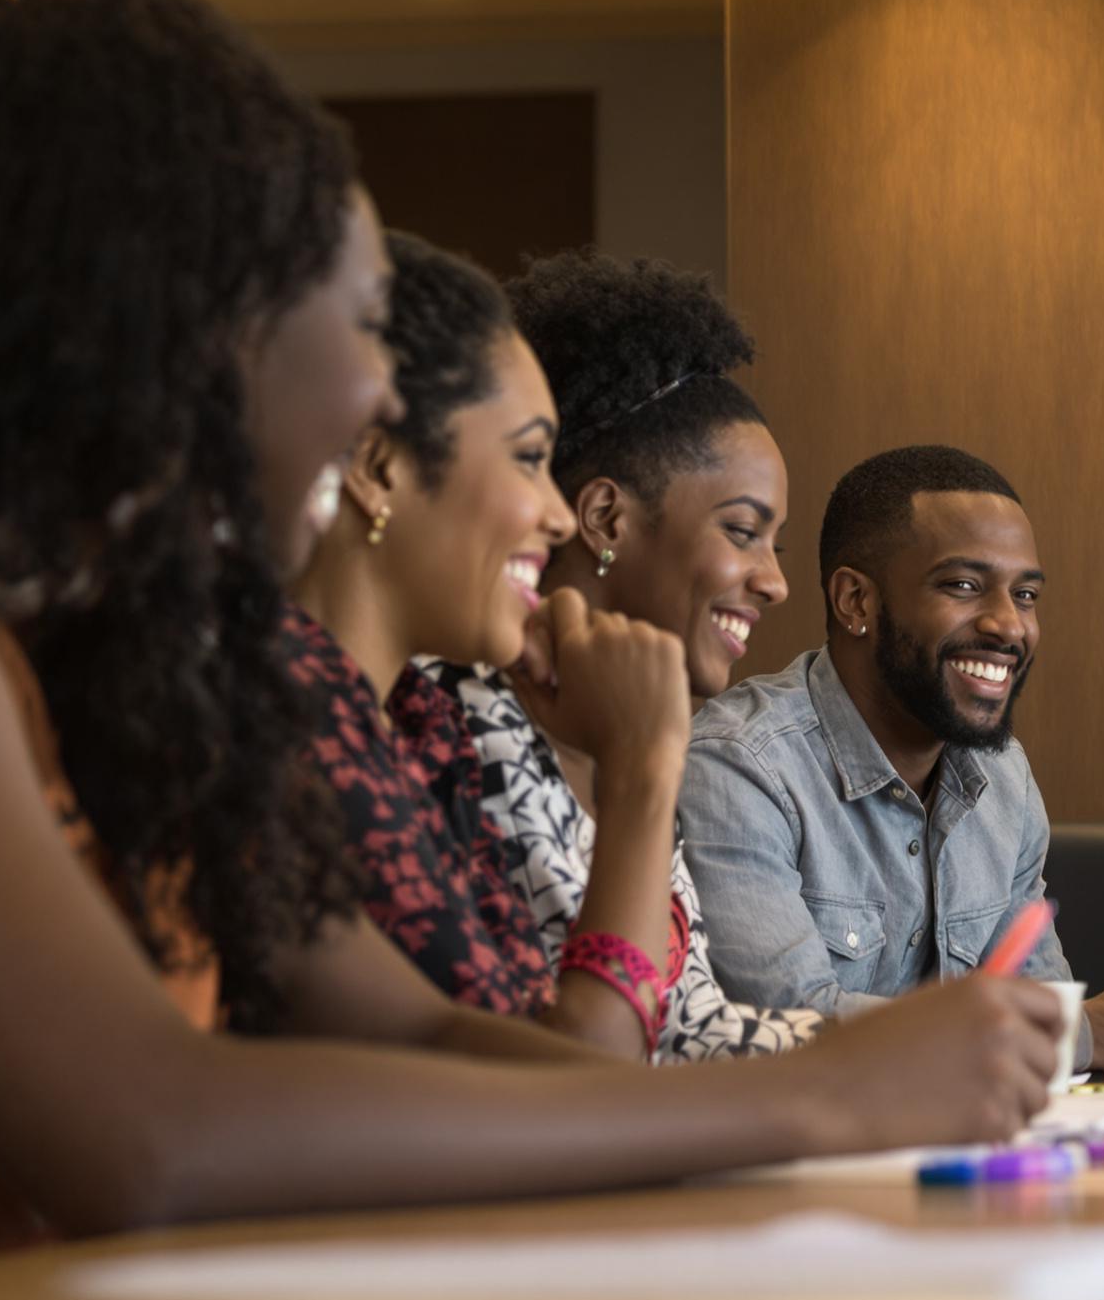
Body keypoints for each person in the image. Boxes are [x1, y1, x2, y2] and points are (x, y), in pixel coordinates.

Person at [0, 0, 1055, 1272]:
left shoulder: (156, 663)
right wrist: (817, 1098)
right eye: (361, 325)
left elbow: (427, 1037)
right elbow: (150, 1133)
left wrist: (820, 1091)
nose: (379, 394)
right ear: (167, 314)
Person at [288, 231, 755, 1060]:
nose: (556, 513)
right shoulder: (283, 724)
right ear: (379, 467)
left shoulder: (418, 728)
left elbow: (529, 1045)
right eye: (529, 459)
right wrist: (641, 770)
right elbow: (586, 1075)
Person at [679, 447, 1104, 1078]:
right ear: (855, 601)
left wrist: (1079, 1037)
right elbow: (786, 1031)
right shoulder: (739, 768)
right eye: (964, 586)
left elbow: (1038, 1011)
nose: (1009, 626)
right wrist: (1088, 1034)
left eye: (1025, 594)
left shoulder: (1003, 778)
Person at [399, 247, 823, 1060]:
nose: (774, 582)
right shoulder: (449, 717)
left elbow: (687, 1027)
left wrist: (910, 1039)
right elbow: (581, 1067)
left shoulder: (627, 719)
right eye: (743, 531)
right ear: (604, 519)